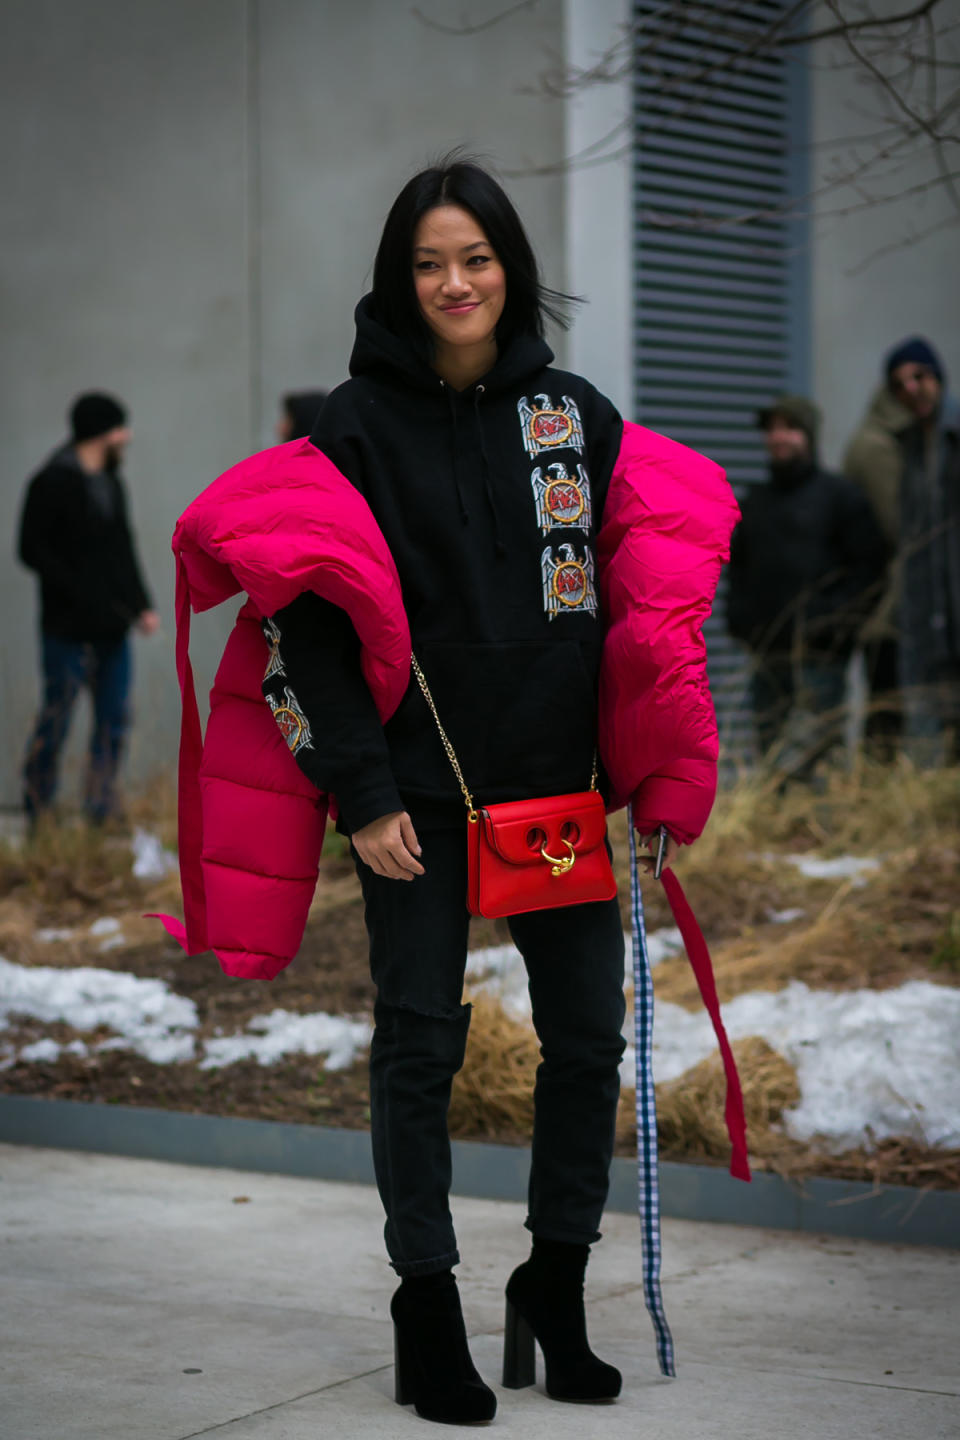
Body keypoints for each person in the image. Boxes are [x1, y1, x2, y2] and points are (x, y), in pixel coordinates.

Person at [165, 160, 738, 1423]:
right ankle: (425, 1300)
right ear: (399, 278)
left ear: (509, 268)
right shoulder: (350, 434)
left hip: (561, 799)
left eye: (474, 258)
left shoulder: (575, 418)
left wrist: (656, 779)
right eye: (429, 263)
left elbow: (650, 615)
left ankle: (556, 1279)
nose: (455, 283)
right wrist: (359, 795)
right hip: (416, 801)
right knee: (421, 1043)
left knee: (589, 1041)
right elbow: (306, 636)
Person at [17, 391, 158, 825]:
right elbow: (30, 549)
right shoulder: (51, 481)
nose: (126, 436)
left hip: (111, 630)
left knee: (114, 721)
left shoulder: (111, 481)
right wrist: (81, 590)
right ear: (100, 432)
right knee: (56, 720)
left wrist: (142, 605)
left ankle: (99, 808)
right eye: (120, 427)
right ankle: (39, 809)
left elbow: (123, 547)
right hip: (66, 630)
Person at [726, 395, 888, 768]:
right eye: (773, 429)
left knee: (818, 757)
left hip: (821, 658)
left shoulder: (841, 498)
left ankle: (820, 825)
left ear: (809, 436)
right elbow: (738, 571)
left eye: (790, 428)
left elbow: (869, 571)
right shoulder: (755, 503)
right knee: (770, 756)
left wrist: (833, 625)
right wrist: (742, 621)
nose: (779, 437)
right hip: (768, 656)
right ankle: (778, 823)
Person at [846, 337, 960, 761]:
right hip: (923, 615)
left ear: (937, 377)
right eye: (900, 383)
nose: (912, 388)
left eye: (920, 376)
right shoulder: (907, 445)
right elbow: (910, 535)